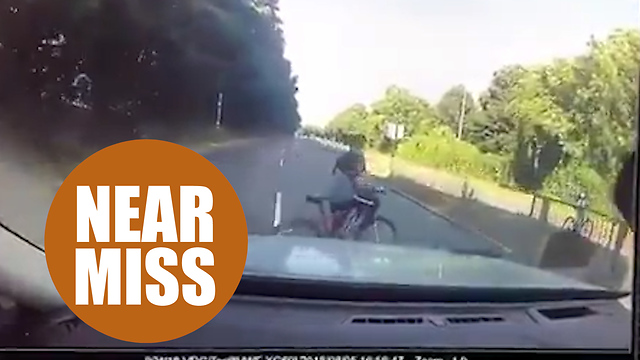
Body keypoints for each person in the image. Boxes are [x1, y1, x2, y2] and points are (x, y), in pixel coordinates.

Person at [326, 148, 380, 239]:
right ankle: (360, 226)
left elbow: (358, 185)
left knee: (354, 206)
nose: (360, 165)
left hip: (336, 199)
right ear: (353, 164)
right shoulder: (351, 173)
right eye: (359, 163)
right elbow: (360, 186)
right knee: (372, 202)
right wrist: (372, 189)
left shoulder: (342, 171)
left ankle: (341, 230)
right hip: (341, 200)